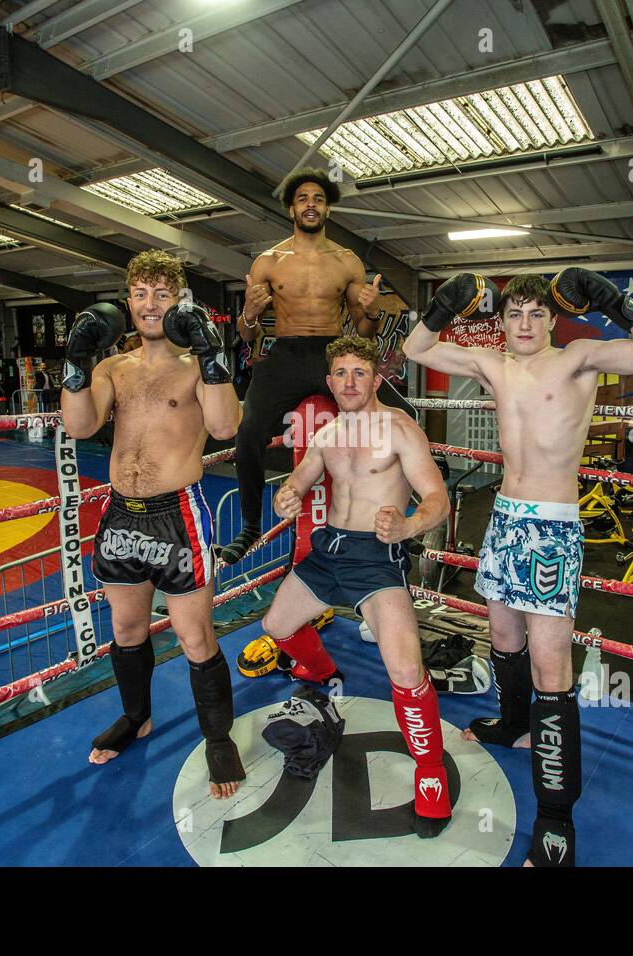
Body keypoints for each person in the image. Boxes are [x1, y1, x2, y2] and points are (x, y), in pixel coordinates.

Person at [404, 269, 633, 865]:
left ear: (552, 319)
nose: (525, 324)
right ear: (500, 321)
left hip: (552, 526)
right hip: (505, 516)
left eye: (536, 314)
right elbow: (415, 349)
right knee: (502, 635)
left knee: (551, 666)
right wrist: (443, 308)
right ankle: (512, 724)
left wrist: (613, 302)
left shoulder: (580, 357)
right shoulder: (493, 365)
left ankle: (556, 824)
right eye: (514, 314)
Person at [58, 249, 245, 799]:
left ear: (179, 300)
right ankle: (136, 716)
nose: (150, 304)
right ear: (128, 300)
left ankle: (218, 741)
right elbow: (80, 424)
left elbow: (226, 425)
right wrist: (74, 359)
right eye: (140, 293)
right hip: (121, 514)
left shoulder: (192, 369)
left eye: (162, 293)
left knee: (194, 635)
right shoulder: (112, 368)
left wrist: (212, 355)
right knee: (127, 631)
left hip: (176, 516)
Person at [260, 335, 452, 836]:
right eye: (340, 374)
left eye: (359, 373)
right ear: (329, 382)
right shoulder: (326, 434)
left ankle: (430, 773)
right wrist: (287, 494)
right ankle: (323, 674)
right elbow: (301, 477)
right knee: (275, 624)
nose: (349, 382)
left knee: (406, 668)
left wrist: (409, 526)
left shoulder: (400, 429)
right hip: (329, 551)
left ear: (376, 378)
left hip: (375, 557)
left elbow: (438, 498)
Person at [220, 167, 417, 564]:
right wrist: (252, 314)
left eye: (319, 199)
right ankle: (250, 527)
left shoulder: (346, 262)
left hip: (334, 349)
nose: (311, 205)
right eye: (303, 199)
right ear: (292, 209)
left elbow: (362, 335)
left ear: (327, 209)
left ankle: (404, 522)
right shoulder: (268, 261)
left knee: (403, 416)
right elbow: (246, 335)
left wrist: (374, 313)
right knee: (248, 432)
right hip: (287, 353)